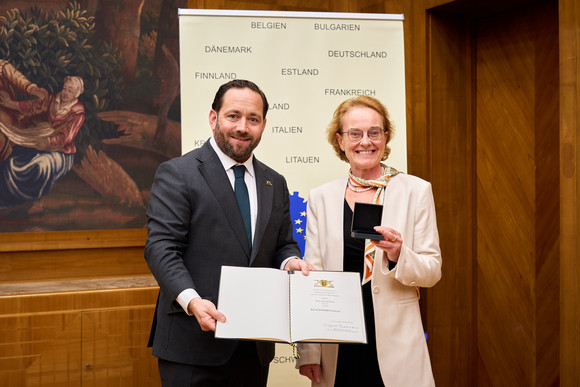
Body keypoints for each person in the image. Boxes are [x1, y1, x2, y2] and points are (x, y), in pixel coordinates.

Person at [145, 79, 313, 386]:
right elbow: (161, 247)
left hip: (253, 348)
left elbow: (283, 244)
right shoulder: (178, 174)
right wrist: (192, 300)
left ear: (263, 124)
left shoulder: (274, 182)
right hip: (193, 345)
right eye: (233, 116)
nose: (242, 127)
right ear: (213, 118)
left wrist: (291, 262)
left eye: (253, 119)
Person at [296, 96, 442, 386]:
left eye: (374, 132)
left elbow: (432, 271)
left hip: (396, 347)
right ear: (340, 140)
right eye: (355, 133)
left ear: (385, 137)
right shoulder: (321, 198)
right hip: (337, 345)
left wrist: (400, 253)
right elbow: (311, 280)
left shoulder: (416, 191)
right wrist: (309, 351)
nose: (366, 142)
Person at [0, 75, 85, 208]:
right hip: (39, 139)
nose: (66, 93)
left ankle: (24, 200)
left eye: (70, 91)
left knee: (39, 165)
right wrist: (11, 104)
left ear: (77, 94)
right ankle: (5, 196)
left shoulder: (77, 112)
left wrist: (48, 142)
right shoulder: (53, 99)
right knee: (12, 158)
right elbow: (34, 106)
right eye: (65, 88)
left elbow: (66, 138)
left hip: (60, 151)